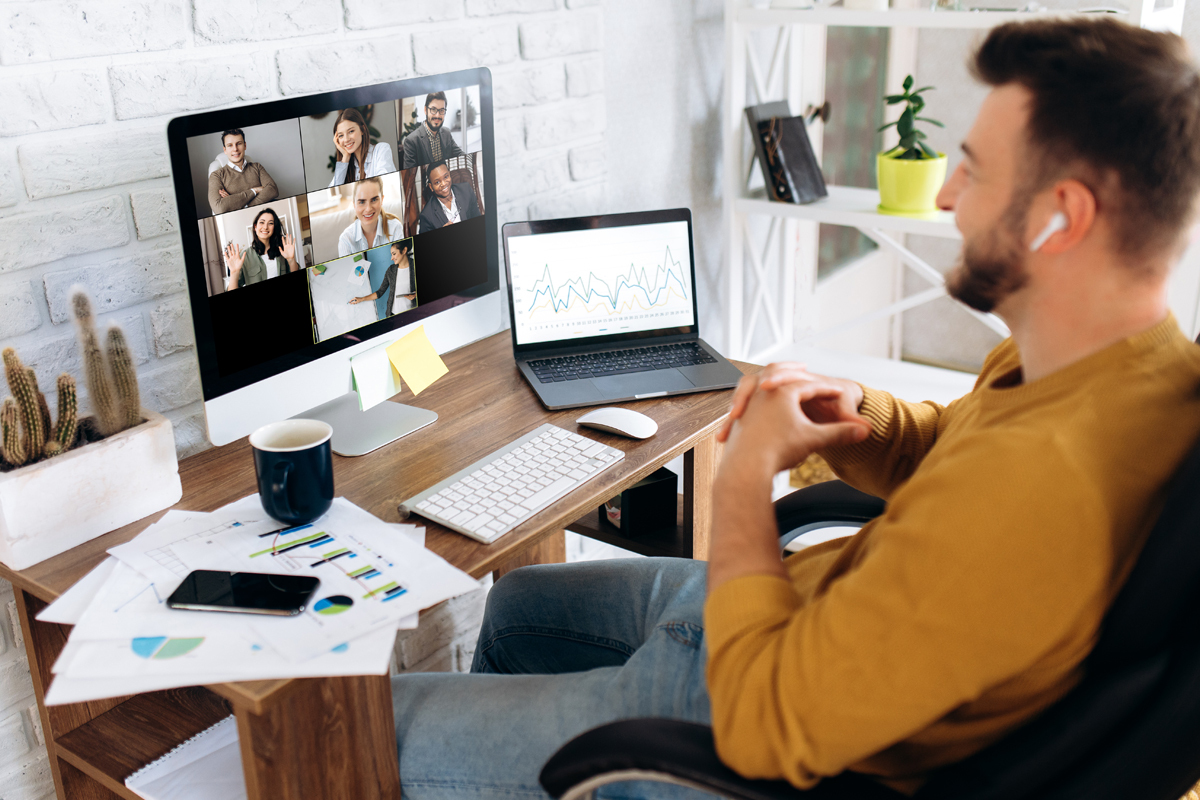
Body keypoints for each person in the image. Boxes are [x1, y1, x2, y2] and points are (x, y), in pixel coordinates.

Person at [388, 17, 1200, 800]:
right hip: (783, 607)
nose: (949, 194)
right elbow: (953, 449)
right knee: (517, 605)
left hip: (735, 707)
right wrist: (857, 413)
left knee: (377, 730)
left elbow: (764, 725)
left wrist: (744, 477)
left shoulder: (1040, 487)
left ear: (1066, 216)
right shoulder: (1111, 366)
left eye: (976, 170)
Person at [223, 208, 298, 291]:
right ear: (255, 227)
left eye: (270, 223)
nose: (265, 227)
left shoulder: (282, 251)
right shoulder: (245, 256)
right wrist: (234, 273)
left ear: (274, 227)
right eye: (262, 222)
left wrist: (291, 260)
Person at [207, 129, 278, 216]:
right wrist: (254, 190)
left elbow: (273, 190)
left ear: (245, 145)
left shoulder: (257, 167)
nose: (235, 149)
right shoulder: (216, 175)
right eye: (230, 145)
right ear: (225, 150)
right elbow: (219, 207)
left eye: (239, 143)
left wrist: (240, 204)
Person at [337, 176, 403, 257]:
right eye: (361, 202)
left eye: (374, 200)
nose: (368, 209)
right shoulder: (346, 240)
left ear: (382, 199)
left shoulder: (395, 228)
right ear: (354, 204)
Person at [329, 107, 396, 187]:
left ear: (362, 129)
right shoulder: (348, 165)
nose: (346, 139)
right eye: (341, 136)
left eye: (351, 131)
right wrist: (345, 158)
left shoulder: (381, 150)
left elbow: (385, 185)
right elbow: (333, 191)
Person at [348, 241, 416, 317]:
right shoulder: (391, 270)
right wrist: (361, 299)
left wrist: (416, 294)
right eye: (391, 255)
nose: (391, 258)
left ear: (404, 250)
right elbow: (380, 292)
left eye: (394, 254)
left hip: (413, 313)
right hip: (393, 314)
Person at [401, 92, 465, 169]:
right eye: (433, 109)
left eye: (441, 110)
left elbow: (460, 154)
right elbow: (410, 175)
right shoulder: (411, 141)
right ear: (425, 110)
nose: (437, 115)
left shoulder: (446, 133)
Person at [417, 161, 480, 234]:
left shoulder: (466, 190)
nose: (443, 184)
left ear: (449, 175)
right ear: (431, 187)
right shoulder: (426, 216)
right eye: (437, 182)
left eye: (446, 177)